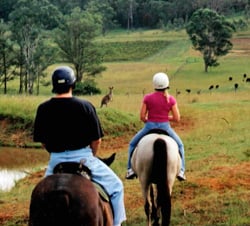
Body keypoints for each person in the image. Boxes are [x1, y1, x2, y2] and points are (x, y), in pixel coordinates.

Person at [33, 66, 126, 226]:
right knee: (117, 187)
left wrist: (56, 153)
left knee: (39, 197)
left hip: (56, 159)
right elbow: (96, 141)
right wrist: (92, 156)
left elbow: (43, 142)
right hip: (84, 158)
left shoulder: (43, 109)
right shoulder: (86, 106)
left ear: (54, 86)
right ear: (73, 84)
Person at [125, 72, 186, 181]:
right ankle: (181, 171)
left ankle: (130, 169)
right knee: (180, 146)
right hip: (166, 127)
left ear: (154, 84)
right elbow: (177, 118)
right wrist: (166, 118)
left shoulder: (147, 98)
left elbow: (142, 117)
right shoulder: (171, 99)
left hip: (149, 127)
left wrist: (150, 119)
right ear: (167, 85)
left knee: (132, 144)